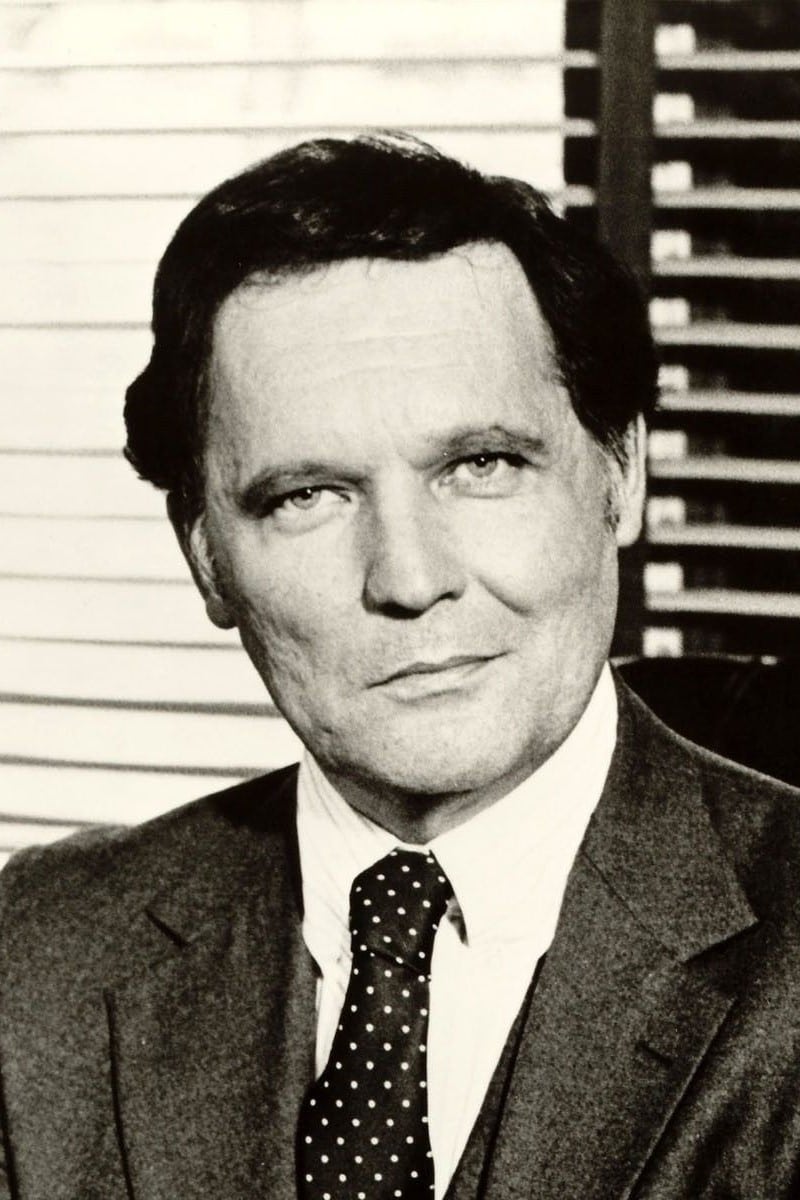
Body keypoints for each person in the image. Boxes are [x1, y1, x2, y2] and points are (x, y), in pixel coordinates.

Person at [1, 133, 799, 1200]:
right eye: (307, 496)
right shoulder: (38, 957)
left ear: (622, 474)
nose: (410, 580)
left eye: (481, 465)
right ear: (205, 557)